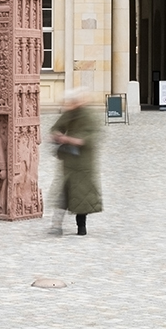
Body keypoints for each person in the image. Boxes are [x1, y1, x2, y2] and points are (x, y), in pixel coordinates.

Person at [49, 88, 103, 237]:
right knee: (63, 192)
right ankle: (56, 225)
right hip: (69, 161)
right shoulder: (69, 114)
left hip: (83, 162)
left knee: (81, 195)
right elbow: (56, 127)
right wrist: (57, 135)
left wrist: (70, 140)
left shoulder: (89, 116)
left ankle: (81, 227)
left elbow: (89, 138)